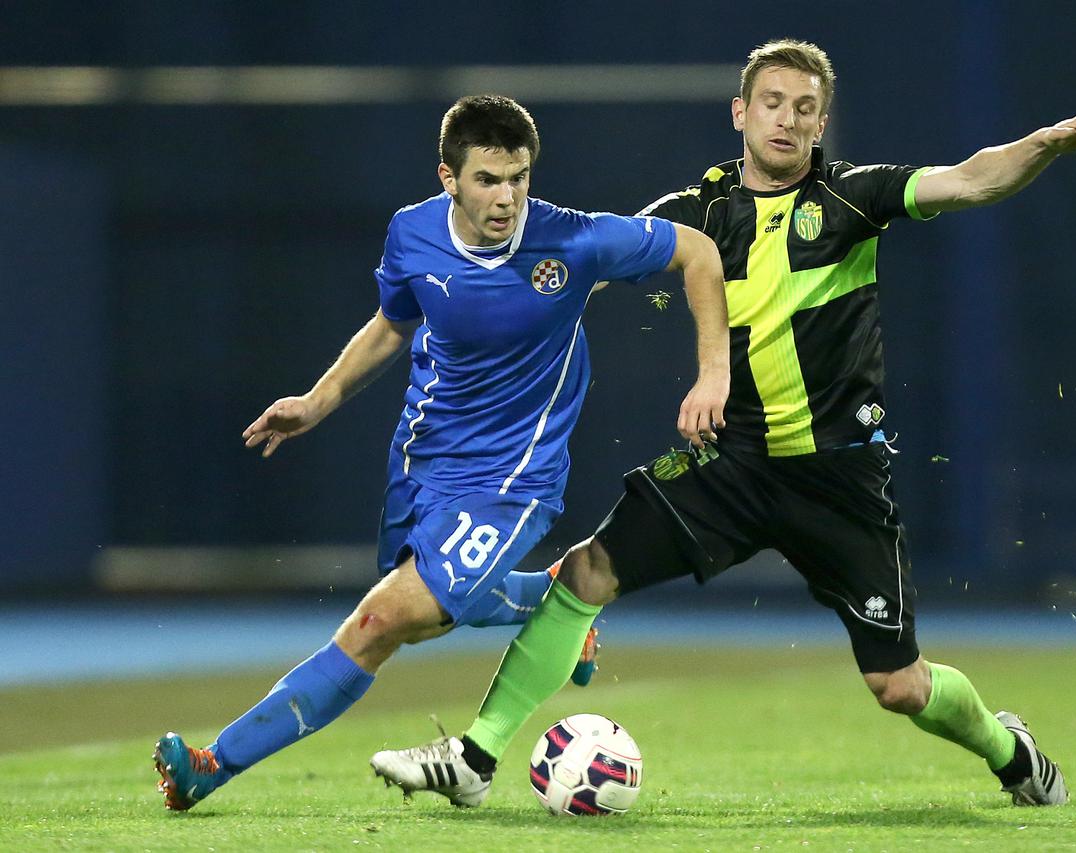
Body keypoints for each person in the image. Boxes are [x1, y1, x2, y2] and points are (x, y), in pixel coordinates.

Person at [372, 40, 1076, 809]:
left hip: (839, 477)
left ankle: (1013, 752)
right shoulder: (696, 213)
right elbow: (573, 268)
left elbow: (971, 179)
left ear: (821, 122)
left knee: (899, 685)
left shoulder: (853, 200)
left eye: (805, 108)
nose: (787, 119)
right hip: (727, 464)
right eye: (772, 102)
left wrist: (1043, 145)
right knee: (584, 572)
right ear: (741, 112)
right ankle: (475, 757)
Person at [152, 94, 730, 811]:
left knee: (379, 621)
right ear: (447, 178)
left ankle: (213, 763)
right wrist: (316, 400)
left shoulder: (573, 241)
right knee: (425, 617)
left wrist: (713, 373)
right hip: (423, 464)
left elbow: (698, 253)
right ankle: (553, 604)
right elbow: (393, 324)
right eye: (488, 178)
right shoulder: (411, 234)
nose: (508, 196)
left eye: (518, 176)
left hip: (512, 481)